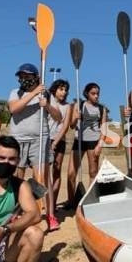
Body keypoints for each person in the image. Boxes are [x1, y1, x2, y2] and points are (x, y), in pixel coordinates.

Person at [7, 63, 60, 230]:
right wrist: (33, 94)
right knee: (17, 178)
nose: (24, 80)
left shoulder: (46, 94)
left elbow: (58, 117)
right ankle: (17, 214)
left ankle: (50, 215)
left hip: (40, 139)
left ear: (36, 77)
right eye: (21, 77)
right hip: (18, 139)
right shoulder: (15, 93)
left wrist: (47, 105)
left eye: (28, 77)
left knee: (43, 178)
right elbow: (14, 108)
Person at [68, 83, 107, 188]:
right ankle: (72, 202)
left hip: (93, 142)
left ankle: (90, 199)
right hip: (79, 140)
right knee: (71, 173)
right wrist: (76, 117)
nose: (96, 96)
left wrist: (100, 145)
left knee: (93, 172)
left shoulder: (101, 109)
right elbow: (71, 125)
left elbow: (104, 129)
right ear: (87, 94)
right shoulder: (79, 105)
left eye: (97, 94)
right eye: (93, 93)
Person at [47, 79, 72, 213]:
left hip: (59, 141)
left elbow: (65, 125)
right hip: (45, 138)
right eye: (61, 89)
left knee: (56, 171)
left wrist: (56, 142)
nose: (64, 92)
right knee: (43, 172)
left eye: (65, 90)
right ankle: (42, 202)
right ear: (55, 89)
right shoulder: (47, 100)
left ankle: (53, 203)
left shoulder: (67, 106)